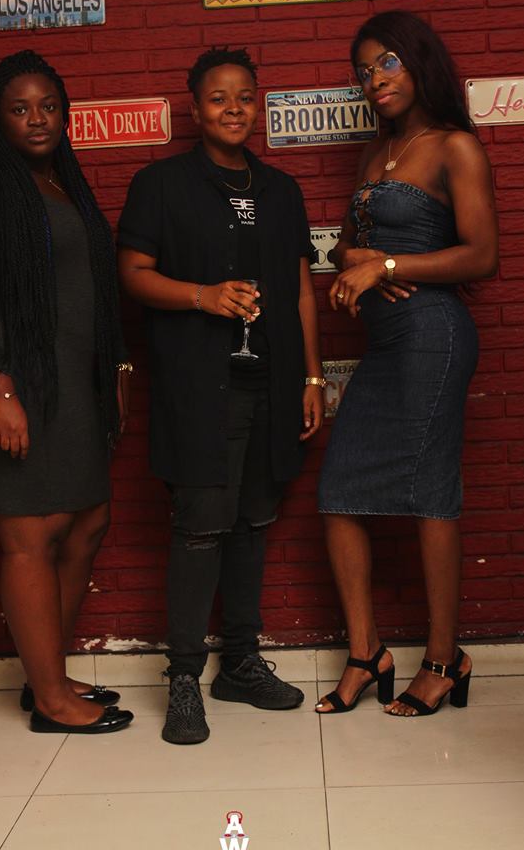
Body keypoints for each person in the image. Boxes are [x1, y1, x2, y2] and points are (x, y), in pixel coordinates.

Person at [118, 47, 324, 744]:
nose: (234, 108)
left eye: (245, 96)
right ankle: (183, 678)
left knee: (253, 524)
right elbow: (133, 274)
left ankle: (239, 663)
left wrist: (313, 377)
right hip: (200, 388)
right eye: (218, 98)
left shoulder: (282, 190)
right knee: (201, 527)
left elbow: (301, 291)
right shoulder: (161, 185)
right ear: (195, 108)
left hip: (272, 385)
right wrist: (203, 296)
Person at [0, 50, 133, 734]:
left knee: (87, 522)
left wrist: (115, 372)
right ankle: (51, 702)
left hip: (70, 384)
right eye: (19, 109)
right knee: (31, 534)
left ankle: (44, 672)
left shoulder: (62, 183)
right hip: (10, 383)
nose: (36, 119)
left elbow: (93, 293)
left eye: (48, 106)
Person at [316, 11, 497, 717]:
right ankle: (368, 654)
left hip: (434, 337)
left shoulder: (454, 146)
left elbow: (482, 255)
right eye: (364, 71)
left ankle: (445, 659)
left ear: (419, 61)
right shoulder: (378, 152)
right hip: (386, 344)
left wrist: (388, 264)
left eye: (386, 62)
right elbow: (345, 245)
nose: (374, 79)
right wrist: (355, 259)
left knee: (429, 494)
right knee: (339, 490)